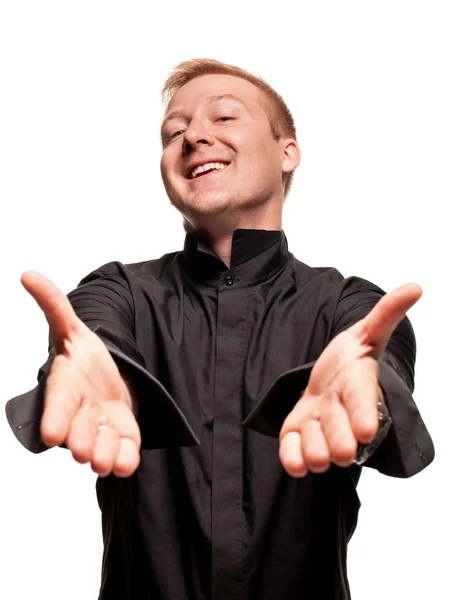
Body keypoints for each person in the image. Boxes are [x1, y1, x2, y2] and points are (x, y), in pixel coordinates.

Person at [6, 58, 434, 599]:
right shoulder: (117, 292)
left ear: (288, 152)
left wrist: (367, 401)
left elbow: (378, 372)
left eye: (224, 117)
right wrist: (91, 371)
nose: (194, 137)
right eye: (174, 132)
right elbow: (93, 340)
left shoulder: (352, 308)